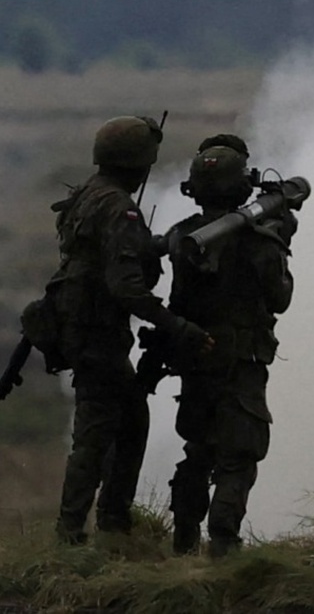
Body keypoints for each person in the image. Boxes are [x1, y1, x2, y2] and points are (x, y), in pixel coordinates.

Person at [49, 116, 213, 545]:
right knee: (97, 431)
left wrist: (154, 245)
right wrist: (178, 327)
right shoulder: (119, 207)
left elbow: (100, 254)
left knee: (124, 422)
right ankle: (79, 531)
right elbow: (126, 288)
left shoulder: (87, 195)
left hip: (82, 329)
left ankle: (110, 523)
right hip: (98, 334)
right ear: (138, 163)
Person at [164, 134, 295, 557]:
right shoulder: (257, 240)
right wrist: (280, 240)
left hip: (196, 358)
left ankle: (183, 540)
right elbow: (280, 298)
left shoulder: (182, 237)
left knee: (198, 450)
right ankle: (223, 545)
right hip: (241, 361)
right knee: (239, 455)